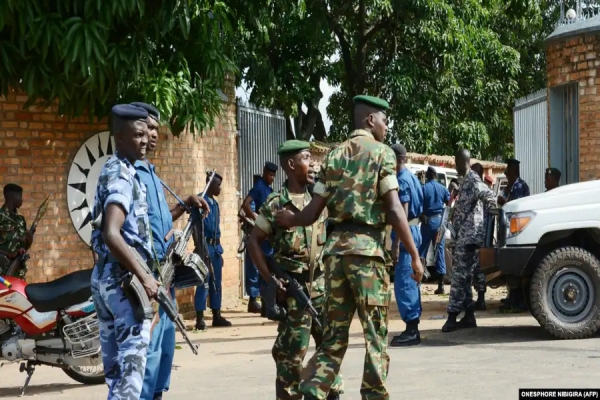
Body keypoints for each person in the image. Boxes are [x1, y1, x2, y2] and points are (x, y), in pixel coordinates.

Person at [275, 95, 423, 400]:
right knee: (375, 335)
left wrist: (290, 218)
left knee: (333, 339)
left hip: (335, 258)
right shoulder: (383, 154)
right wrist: (415, 255)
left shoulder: (332, 157)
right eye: (384, 119)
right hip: (366, 254)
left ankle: (313, 391)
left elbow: (312, 213)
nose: (386, 126)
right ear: (370, 120)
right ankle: (374, 395)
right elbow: (395, 210)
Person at [248, 140, 343, 400]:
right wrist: (269, 279)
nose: (311, 162)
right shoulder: (276, 203)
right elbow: (254, 241)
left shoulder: (319, 199)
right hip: (294, 292)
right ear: (291, 165)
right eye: (305, 157)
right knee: (290, 360)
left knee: (330, 351)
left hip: (322, 289)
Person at [131, 102, 209, 400]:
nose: (152, 135)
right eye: (148, 128)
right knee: (147, 353)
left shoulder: (151, 173)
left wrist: (185, 204)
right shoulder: (130, 173)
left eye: (155, 129)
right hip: (147, 278)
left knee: (165, 348)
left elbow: (159, 222)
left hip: (165, 277)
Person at [90, 104, 159, 399]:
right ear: (119, 137)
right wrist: (144, 275)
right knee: (130, 380)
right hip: (123, 284)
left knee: (117, 378)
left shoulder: (119, 168)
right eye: (136, 135)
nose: (144, 140)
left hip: (106, 279)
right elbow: (111, 233)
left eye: (146, 134)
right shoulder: (121, 174)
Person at [442, 149, 496, 333]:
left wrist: (487, 226)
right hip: (463, 237)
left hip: (469, 238)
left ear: (459, 161)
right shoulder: (465, 181)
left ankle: (451, 317)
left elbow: (489, 197)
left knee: (458, 277)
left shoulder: (473, 179)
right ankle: (469, 316)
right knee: (464, 278)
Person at [389, 144, 424, 347]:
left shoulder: (401, 180)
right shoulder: (412, 177)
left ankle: (411, 329)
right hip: (415, 230)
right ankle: (413, 325)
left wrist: (396, 242)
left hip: (406, 233)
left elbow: (402, 212)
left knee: (404, 281)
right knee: (413, 278)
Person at [192, 172, 232, 330]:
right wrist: (202, 252)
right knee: (203, 282)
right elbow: (195, 228)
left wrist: (219, 252)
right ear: (209, 183)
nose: (220, 188)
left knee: (216, 283)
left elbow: (217, 229)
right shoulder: (199, 202)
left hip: (216, 248)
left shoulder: (214, 204)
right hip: (204, 247)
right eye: (218, 185)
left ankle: (216, 314)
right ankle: (200, 318)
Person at [242, 162, 278, 314]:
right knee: (254, 267)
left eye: (273, 176)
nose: (271, 178)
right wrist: (253, 216)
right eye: (269, 174)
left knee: (266, 268)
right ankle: (252, 301)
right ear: (264, 173)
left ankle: (265, 303)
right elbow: (245, 204)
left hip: (267, 236)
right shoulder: (258, 186)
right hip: (258, 234)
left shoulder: (270, 189)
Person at [498, 158, 530, 312]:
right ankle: (512, 297)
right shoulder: (512, 186)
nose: (507, 174)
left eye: (508, 171)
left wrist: (503, 202)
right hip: (511, 230)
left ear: (514, 171)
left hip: (517, 230)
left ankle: (518, 300)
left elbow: (515, 207)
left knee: (516, 268)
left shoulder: (519, 186)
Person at [419, 166, 450, 295]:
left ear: (427, 176)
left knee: (422, 250)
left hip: (427, 223)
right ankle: (441, 285)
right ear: (435, 176)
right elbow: (449, 203)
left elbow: (418, 204)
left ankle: (419, 281)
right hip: (439, 223)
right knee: (440, 251)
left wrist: (421, 215)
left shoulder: (423, 188)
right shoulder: (443, 189)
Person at [0, 184, 34, 279]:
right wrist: (10, 254)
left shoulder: (20, 220)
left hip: (18, 272)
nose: (22, 199)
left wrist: (29, 240)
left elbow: (23, 247)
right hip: (2, 273)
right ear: (11, 196)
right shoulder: (1, 217)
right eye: (20, 196)